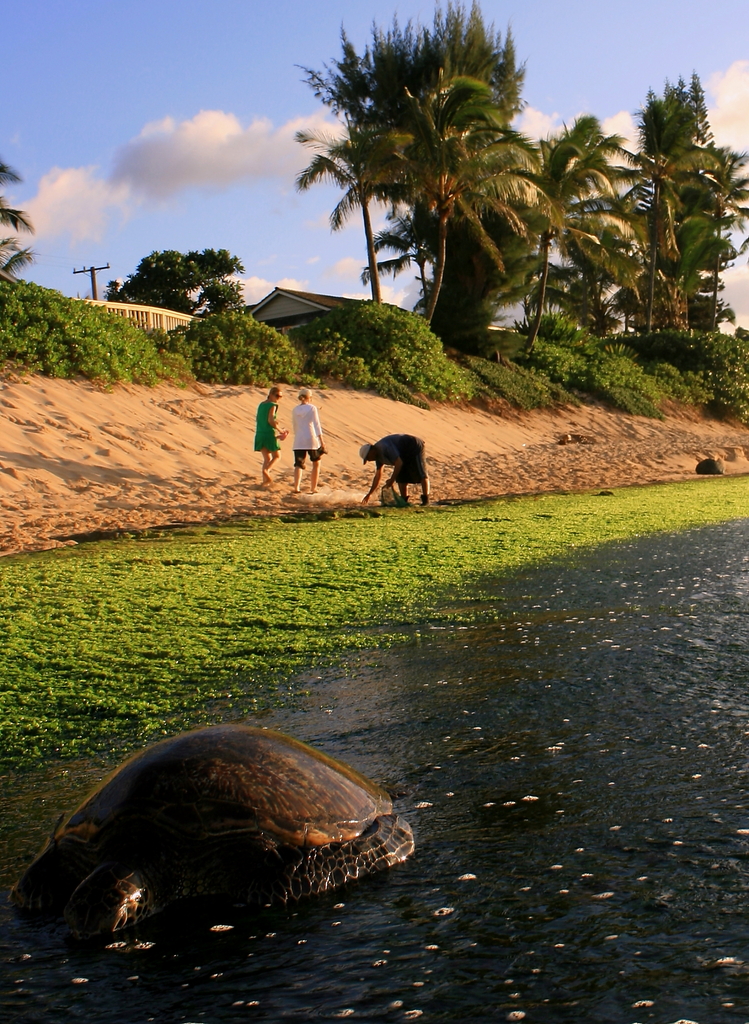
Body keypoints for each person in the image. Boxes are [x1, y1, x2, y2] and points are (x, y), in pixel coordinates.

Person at [360, 434, 430, 506]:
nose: (369, 460)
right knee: (401, 477)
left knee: (421, 473)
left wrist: (391, 480)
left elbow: (399, 463)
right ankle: (404, 500)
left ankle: (426, 500)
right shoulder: (378, 458)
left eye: (368, 458)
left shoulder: (385, 447)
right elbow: (378, 475)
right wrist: (369, 494)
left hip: (414, 445)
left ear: (371, 451)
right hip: (402, 453)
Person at [291, 388, 325, 494]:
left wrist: (297, 435)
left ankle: (297, 487)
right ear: (309, 397)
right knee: (316, 462)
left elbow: (294, 425)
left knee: (298, 464)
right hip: (311, 438)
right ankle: (313, 487)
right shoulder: (312, 408)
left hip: (299, 439)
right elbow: (316, 424)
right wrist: (322, 441)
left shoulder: (295, 409)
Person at [254, 386, 287, 486]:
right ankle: (267, 471)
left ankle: (265, 481)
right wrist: (280, 430)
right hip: (268, 433)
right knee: (277, 456)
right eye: (277, 396)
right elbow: (271, 420)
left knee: (267, 459)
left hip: (259, 433)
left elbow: (260, 419)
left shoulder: (261, 404)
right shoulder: (272, 405)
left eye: (280, 397)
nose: (278, 399)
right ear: (271, 394)